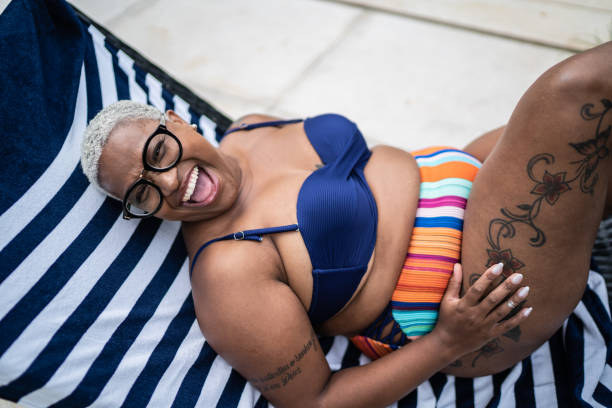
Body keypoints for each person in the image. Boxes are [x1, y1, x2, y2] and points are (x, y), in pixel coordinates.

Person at [80, 41, 612, 407]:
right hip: (474, 301)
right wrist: (449, 341)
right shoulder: (226, 273)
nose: (170, 184)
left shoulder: (248, 129)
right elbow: (316, 401)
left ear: (174, 121)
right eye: (144, 193)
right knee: (579, 91)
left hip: (471, 188)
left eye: (160, 152)